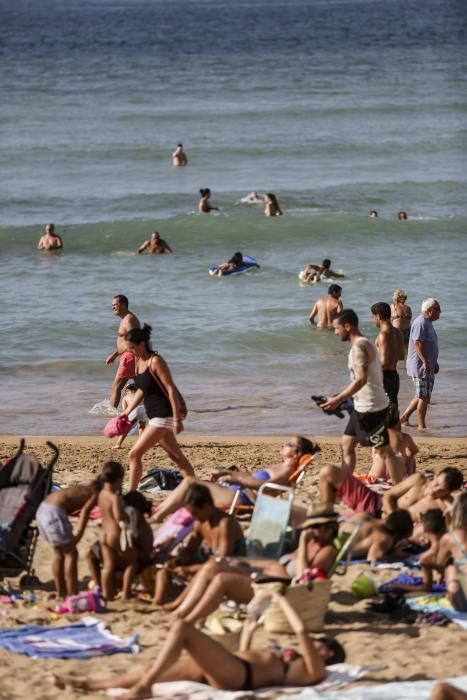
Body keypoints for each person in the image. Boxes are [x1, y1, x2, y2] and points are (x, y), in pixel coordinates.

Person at [49, 590, 345, 698]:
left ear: (327, 652)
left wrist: (280, 599)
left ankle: (143, 687)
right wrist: (249, 631)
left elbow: (303, 632)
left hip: (240, 676)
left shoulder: (314, 670)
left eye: (321, 644)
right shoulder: (298, 658)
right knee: (150, 666)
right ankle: (87, 685)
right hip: (232, 665)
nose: (315, 644)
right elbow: (248, 650)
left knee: (183, 630)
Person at [164, 504, 339, 622]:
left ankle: (188, 619)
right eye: (310, 527)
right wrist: (241, 561)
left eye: (315, 527)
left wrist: (301, 544)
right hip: (269, 579)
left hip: (283, 593)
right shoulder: (311, 543)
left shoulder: (327, 551)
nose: (311, 531)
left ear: (329, 529)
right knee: (214, 564)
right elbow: (274, 565)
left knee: (222, 579)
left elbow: (303, 579)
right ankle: (179, 608)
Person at [153, 436, 319, 522]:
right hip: (236, 491)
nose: (284, 444)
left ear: (297, 453)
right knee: (191, 484)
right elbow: (252, 479)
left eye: (289, 444)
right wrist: (228, 473)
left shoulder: (286, 470)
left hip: (240, 498)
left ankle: (158, 516)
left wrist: (237, 480)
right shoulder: (278, 466)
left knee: (190, 482)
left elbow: (266, 487)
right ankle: (160, 511)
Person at [320, 309, 400, 481]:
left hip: (371, 409)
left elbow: (361, 380)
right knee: (347, 444)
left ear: (347, 326)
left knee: (385, 452)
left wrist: (337, 399)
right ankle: (344, 484)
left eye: (336, 328)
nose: (335, 332)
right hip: (363, 406)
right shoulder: (366, 342)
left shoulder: (359, 348)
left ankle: (399, 486)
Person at [121, 324, 194, 491]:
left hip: (165, 414)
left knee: (134, 454)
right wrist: (125, 413)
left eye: (132, 347)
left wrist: (176, 418)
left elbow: (170, 388)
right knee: (176, 456)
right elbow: (141, 390)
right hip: (154, 415)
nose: (130, 351)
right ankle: (194, 486)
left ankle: (131, 494)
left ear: (141, 344)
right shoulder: (140, 362)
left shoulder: (156, 361)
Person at [153, 483, 246, 604]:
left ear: (207, 506)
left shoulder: (225, 524)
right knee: (164, 571)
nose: (193, 517)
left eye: (195, 513)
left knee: (200, 575)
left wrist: (190, 569)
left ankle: (176, 604)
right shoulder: (200, 523)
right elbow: (190, 549)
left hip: (229, 570)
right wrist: (177, 561)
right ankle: (157, 602)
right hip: (207, 565)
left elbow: (222, 561)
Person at [320, 461, 463, 523]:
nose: (435, 490)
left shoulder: (445, 504)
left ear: (448, 492)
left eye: (442, 490)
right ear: (436, 475)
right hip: (374, 502)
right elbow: (389, 495)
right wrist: (392, 515)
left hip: (379, 523)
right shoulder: (418, 480)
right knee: (329, 471)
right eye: (436, 483)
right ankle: (324, 516)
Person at [35, 476, 103, 598]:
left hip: (42, 509)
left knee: (58, 553)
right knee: (71, 553)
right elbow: (86, 511)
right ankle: (73, 594)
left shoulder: (84, 488)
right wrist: (79, 536)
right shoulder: (96, 493)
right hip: (54, 512)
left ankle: (61, 593)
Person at [87, 490, 153, 591]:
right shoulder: (128, 525)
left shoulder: (144, 529)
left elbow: (147, 558)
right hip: (121, 558)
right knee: (90, 554)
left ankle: (123, 591)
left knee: (123, 561)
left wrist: (133, 551)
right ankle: (98, 584)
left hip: (134, 564)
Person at [400, 298, 441, 431]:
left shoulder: (427, 322)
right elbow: (417, 344)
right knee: (424, 396)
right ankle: (421, 425)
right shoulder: (421, 322)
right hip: (420, 366)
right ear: (429, 311)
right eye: (438, 309)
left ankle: (404, 418)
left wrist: (435, 362)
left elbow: (430, 344)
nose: (440, 312)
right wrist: (425, 361)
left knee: (422, 395)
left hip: (427, 365)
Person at [98, 461, 136, 600]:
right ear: (119, 480)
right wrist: (129, 514)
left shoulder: (101, 494)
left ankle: (106, 594)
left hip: (103, 533)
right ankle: (126, 593)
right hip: (114, 533)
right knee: (131, 563)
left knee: (108, 565)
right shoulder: (114, 497)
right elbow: (118, 516)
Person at [384, 509, 446, 592]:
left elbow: (427, 588)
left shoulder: (427, 557)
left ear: (424, 530)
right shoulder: (456, 542)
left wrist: (400, 586)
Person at [105, 295, 141, 409]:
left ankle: (112, 413)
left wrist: (137, 363)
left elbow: (135, 342)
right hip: (130, 356)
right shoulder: (126, 319)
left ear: (124, 305)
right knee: (142, 387)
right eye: (112, 305)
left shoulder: (129, 319)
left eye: (116, 305)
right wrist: (115, 354)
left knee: (116, 387)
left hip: (130, 357)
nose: (113, 307)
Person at [368, 406, 419, 480]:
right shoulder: (403, 437)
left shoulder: (376, 435)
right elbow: (414, 451)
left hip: (374, 478)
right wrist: (405, 456)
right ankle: (410, 478)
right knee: (411, 456)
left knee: (377, 455)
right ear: (397, 421)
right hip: (395, 480)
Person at [343, 509, 413, 562]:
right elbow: (373, 558)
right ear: (397, 535)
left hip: (334, 538)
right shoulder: (384, 538)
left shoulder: (363, 515)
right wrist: (394, 556)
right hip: (338, 552)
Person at [371, 302, 405, 406]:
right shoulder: (398, 332)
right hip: (394, 377)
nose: (373, 320)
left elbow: (384, 363)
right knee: (392, 415)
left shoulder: (383, 334)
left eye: (373, 317)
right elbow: (401, 356)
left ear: (379, 316)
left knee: (383, 413)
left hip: (384, 379)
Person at [437, 492, 467, 611]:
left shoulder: (450, 538)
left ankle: (450, 593)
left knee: (450, 566)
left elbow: (439, 564)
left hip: (462, 601)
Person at [113, 384, 147, 449]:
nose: (125, 392)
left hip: (136, 410)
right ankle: (141, 443)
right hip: (144, 409)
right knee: (141, 426)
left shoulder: (125, 397)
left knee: (126, 427)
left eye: (126, 390)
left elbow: (125, 410)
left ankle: (118, 444)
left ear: (132, 390)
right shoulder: (140, 396)